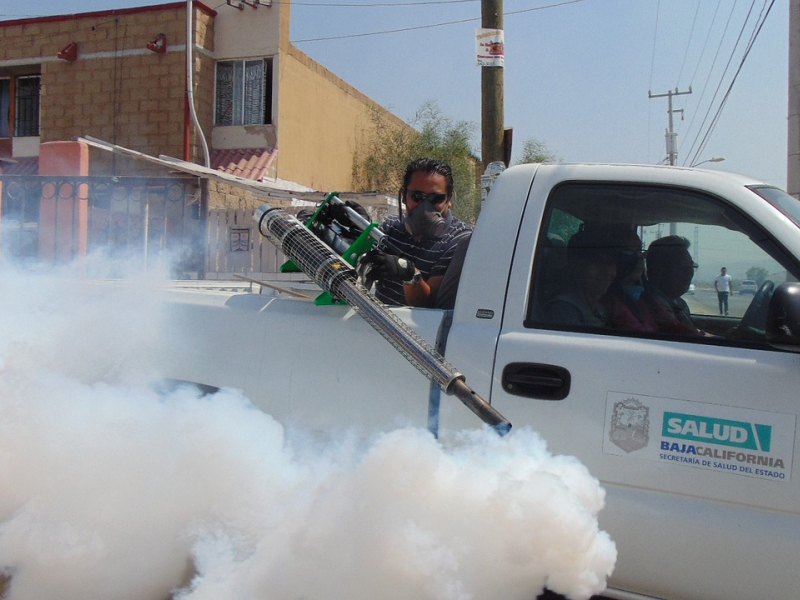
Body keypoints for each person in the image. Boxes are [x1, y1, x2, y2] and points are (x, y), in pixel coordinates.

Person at [357, 158, 473, 307]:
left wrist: (408, 272)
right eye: (417, 197)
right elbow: (357, 262)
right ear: (404, 196)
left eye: (435, 198)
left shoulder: (459, 241)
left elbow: (430, 303)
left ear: (449, 199)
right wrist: (356, 232)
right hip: (378, 321)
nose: (425, 207)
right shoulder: (392, 227)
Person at [542, 226, 618, 327]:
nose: (606, 271)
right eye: (596, 262)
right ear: (577, 266)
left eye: (610, 263)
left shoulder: (599, 308)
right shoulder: (564, 309)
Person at [637, 236, 703, 336]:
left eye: (692, 266)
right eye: (682, 266)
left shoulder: (678, 303)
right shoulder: (654, 305)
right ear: (658, 269)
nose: (689, 272)